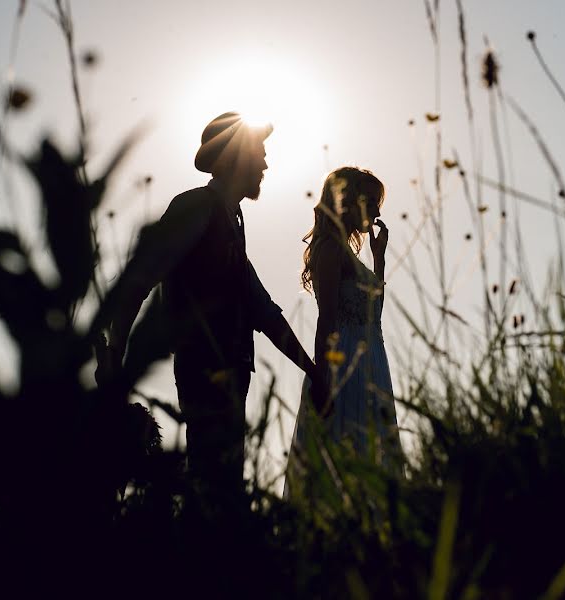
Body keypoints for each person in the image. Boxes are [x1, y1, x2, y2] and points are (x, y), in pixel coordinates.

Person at [98, 112, 328, 508]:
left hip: (232, 371)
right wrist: (116, 357)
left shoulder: (230, 220)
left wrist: (313, 371)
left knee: (222, 488)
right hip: (203, 369)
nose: (266, 164)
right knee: (212, 485)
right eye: (259, 153)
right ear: (232, 158)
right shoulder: (195, 208)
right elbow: (139, 278)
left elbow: (263, 309)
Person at [284, 167, 402, 492]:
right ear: (350, 202)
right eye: (373, 202)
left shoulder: (351, 254)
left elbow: (372, 314)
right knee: (342, 454)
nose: (378, 211)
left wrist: (378, 260)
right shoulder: (331, 249)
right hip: (344, 363)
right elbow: (327, 318)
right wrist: (323, 377)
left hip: (370, 361)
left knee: (370, 457)